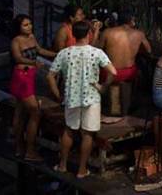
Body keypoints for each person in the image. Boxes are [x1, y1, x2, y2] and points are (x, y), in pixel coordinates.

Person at [47, 20, 116, 178]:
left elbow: (50, 76)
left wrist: (58, 94)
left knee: (69, 130)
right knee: (88, 134)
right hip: (91, 98)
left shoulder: (64, 53)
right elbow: (113, 72)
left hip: (71, 97)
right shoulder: (96, 52)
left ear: (73, 34)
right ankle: (82, 170)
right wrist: (103, 87)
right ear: (89, 34)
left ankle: (63, 165)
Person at [9, 15, 56, 161]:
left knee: (21, 111)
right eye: (25, 25)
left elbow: (40, 50)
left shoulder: (32, 37)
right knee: (35, 112)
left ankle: (20, 148)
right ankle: (29, 150)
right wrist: (33, 63)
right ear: (18, 27)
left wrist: (56, 54)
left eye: (30, 24)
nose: (29, 27)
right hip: (22, 77)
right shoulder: (16, 41)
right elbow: (17, 58)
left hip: (29, 77)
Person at [97, 8, 151, 85]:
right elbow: (148, 51)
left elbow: (98, 50)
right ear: (131, 20)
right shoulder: (139, 34)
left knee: (114, 88)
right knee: (127, 88)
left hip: (111, 71)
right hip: (128, 72)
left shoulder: (107, 32)